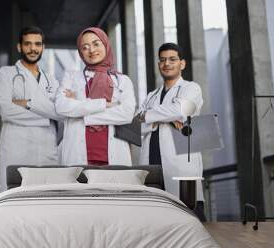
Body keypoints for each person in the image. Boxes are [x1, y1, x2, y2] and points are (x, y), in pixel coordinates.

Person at [55, 27, 135, 166]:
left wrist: (82, 113)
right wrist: (104, 104)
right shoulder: (72, 77)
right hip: (77, 153)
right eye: (85, 47)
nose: (91, 50)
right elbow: (61, 106)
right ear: (81, 52)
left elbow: (126, 114)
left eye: (96, 44)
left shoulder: (122, 80)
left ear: (105, 44)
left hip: (114, 153)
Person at [0, 26, 62, 192]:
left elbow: (60, 111)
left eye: (37, 44)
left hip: (47, 148)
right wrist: (47, 116)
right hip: (17, 147)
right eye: (28, 44)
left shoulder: (51, 80)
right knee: (13, 196)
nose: (33, 48)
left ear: (43, 47)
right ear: (20, 47)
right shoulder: (6, 74)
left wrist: (27, 103)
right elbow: (6, 110)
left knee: (45, 198)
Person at [139, 43, 205, 205]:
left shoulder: (191, 88)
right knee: (155, 215)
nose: (166, 64)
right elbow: (137, 125)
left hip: (180, 162)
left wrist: (149, 116)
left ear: (182, 63)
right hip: (151, 162)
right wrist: (165, 118)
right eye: (162, 60)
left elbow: (181, 110)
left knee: (189, 212)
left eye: (172, 59)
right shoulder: (151, 96)